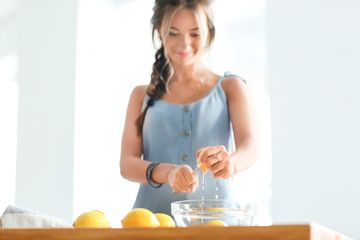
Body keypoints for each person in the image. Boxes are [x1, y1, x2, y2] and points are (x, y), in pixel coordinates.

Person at [120, 0, 260, 216]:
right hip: (151, 224)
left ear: (209, 32)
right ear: (159, 31)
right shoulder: (141, 95)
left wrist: (230, 163)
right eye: (173, 33)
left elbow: (250, 145)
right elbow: (127, 163)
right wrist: (168, 172)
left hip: (217, 222)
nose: (184, 44)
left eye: (194, 34)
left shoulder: (231, 87)